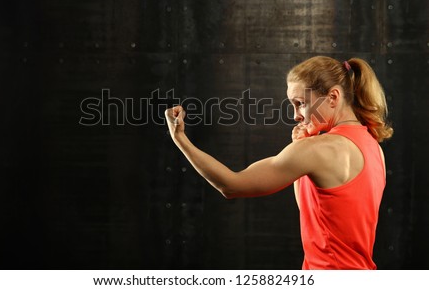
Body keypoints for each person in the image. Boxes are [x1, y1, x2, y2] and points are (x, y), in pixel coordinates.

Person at [165, 56, 393, 270]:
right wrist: (303, 146)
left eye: (301, 103)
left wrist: (180, 139)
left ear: (333, 97)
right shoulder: (372, 145)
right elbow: (317, 213)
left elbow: (231, 185)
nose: (295, 115)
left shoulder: (318, 149)